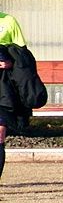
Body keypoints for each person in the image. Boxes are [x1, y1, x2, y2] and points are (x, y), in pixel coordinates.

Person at [0, 10, 45, 182]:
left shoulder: (9, 21)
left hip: (3, 88)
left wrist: (12, 62)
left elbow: (23, 56)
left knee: (0, 133)